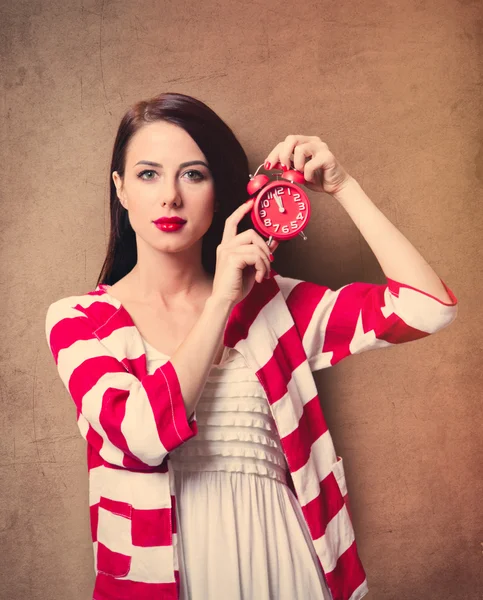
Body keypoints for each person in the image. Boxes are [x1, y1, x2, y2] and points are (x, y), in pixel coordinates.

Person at [44, 92, 458, 600]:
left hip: (283, 563)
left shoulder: (272, 308)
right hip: (163, 575)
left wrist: (345, 188)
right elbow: (143, 437)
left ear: (218, 193)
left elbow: (428, 307)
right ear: (121, 189)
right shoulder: (80, 319)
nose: (170, 196)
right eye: (148, 174)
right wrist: (221, 300)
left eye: (193, 174)